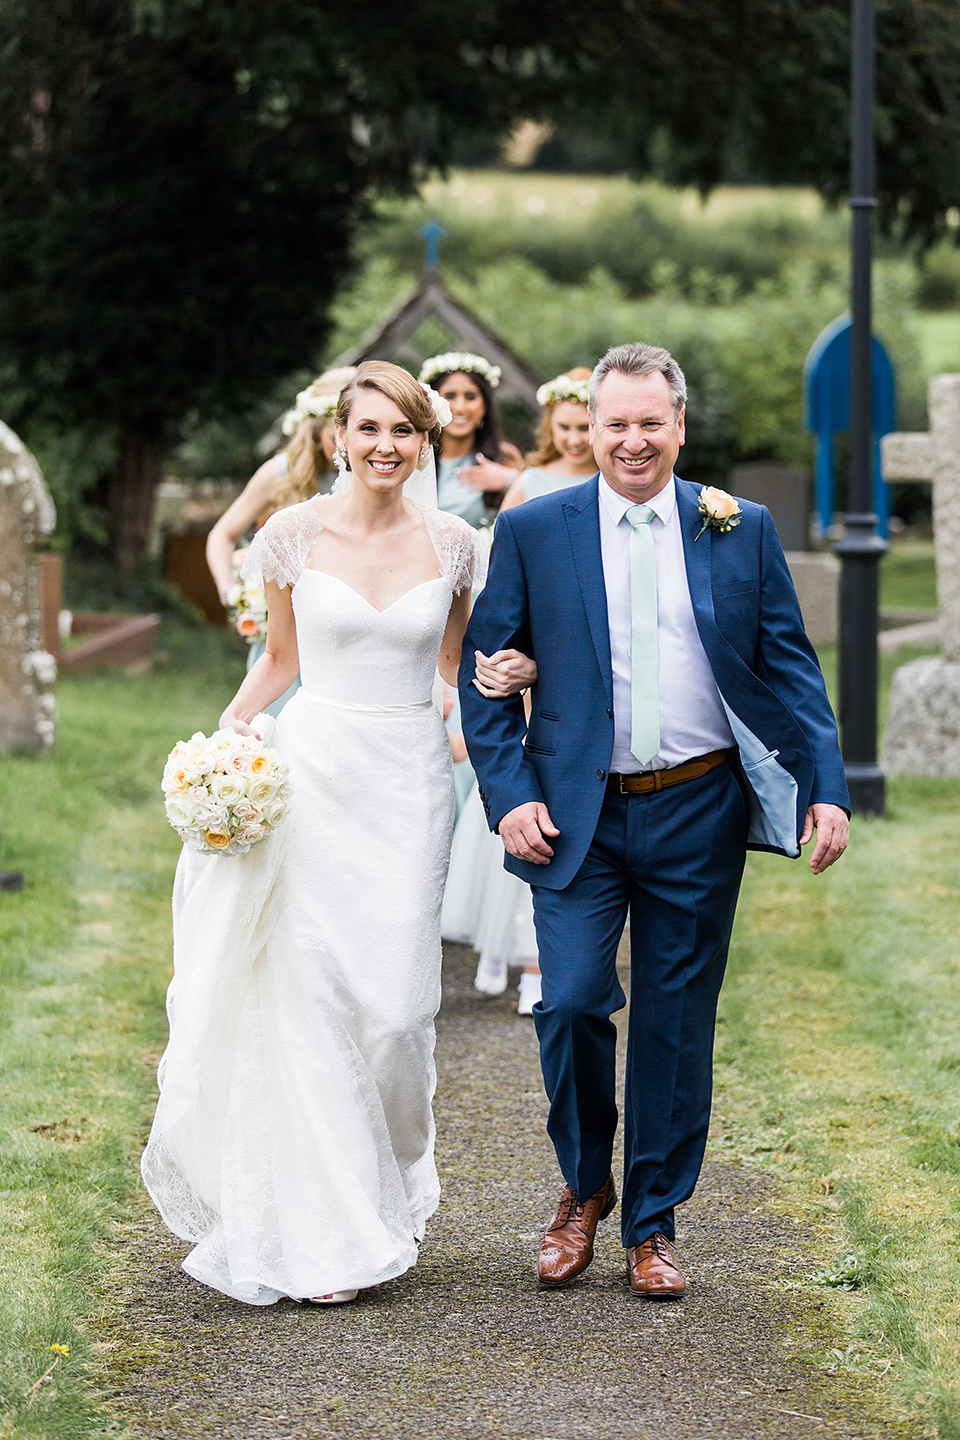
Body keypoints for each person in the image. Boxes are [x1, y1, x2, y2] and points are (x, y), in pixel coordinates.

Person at [459, 341, 850, 1301]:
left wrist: (827, 787)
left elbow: (790, 665)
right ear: (588, 428)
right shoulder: (536, 530)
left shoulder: (738, 527)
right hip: (575, 815)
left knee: (677, 1025)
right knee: (575, 1001)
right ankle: (583, 1188)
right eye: (614, 423)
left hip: (699, 807)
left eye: (650, 422)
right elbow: (484, 678)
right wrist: (510, 799)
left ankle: (654, 1224)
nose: (632, 440)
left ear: (679, 426)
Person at [142, 361, 534, 1307]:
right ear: (338, 437)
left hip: (406, 783)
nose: (385, 447)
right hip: (312, 775)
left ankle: (386, 1185)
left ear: (425, 441)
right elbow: (280, 657)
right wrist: (226, 743)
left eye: (404, 432)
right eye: (369, 430)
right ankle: (323, 1229)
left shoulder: (455, 545)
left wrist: (506, 680)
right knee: (308, 996)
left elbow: (458, 663)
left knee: (396, 1012)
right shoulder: (289, 534)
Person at [205, 367, 355, 717]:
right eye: (336, 438)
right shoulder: (280, 473)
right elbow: (222, 534)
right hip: (284, 636)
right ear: (318, 431)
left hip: (343, 636)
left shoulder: (373, 476)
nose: (345, 451)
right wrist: (231, 591)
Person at [418, 352, 524, 528]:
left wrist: (511, 480)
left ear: (485, 406)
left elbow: (529, 515)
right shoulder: (413, 456)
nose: (460, 408)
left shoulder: (504, 456)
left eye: (470, 397)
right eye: (450, 396)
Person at [500, 368, 597, 511]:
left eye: (584, 428)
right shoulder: (530, 481)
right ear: (550, 425)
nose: (574, 441)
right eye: (564, 427)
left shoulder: (617, 478)